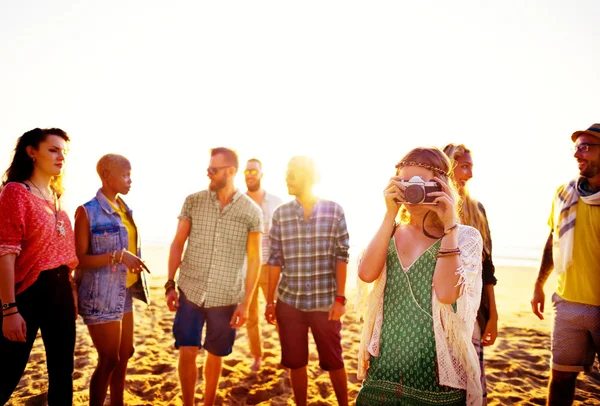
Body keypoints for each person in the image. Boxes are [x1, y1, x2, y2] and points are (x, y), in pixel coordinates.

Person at [355, 146, 483, 406]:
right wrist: (390, 213)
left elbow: (448, 294)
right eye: (403, 183)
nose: (411, 193)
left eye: (419, 184)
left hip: (437, 381)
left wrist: (450, 225)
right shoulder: (389, 231)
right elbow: (366, 274)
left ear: (442, 186)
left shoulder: (465, 237)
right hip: (384, 372)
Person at [165, 147, 263, 406]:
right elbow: (177, 243)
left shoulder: (251, 211)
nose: (208, 173)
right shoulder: (193, 201)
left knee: (215, 353)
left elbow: (255, 260)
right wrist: (169, 284)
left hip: (226, 295)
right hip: (190, 290)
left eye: (213, 169)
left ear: (230, 172)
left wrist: (245, 303)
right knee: (186, 350)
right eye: (208, 168)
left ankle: (207, 403)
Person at [0, 128, 79, 405]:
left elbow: (63, 251)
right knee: (8, 371)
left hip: (61, 292)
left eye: (64, 152)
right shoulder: (15, 192)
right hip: (28, 293)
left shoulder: (58, 196)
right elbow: (6, 253)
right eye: (53, 150)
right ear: (32, 152)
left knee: (63, 372)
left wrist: (71, 289)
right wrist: (9, 309)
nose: (61, 157)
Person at [265, 156, 350, 406]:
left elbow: (342, 255)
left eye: (292, 173)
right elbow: (274, 260)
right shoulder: (281, 214)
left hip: (326, 303)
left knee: (334, 360)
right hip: (289, 303)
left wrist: (340, 299)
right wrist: (270, 302)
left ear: (308, 176)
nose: (287, 178)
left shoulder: (334, 210)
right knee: (296, 361)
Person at [530, 123, 600, 406]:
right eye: (576, 147)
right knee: (560, 378)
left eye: (586, 147)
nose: (577, 154)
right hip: (569, 303)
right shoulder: (564, 193)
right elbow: (553, 238)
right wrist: (538, 284)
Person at [74, 154, 150, 406]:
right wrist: (118, 256)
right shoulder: (87, 212)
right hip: (100, 294)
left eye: (131, 175)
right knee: (109, 358)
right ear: (106, 175)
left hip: (124, 291)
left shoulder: (125, 209)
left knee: (125, 353)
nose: (130, 181)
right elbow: (80, 259)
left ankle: (117, 403)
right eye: (125, 175)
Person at [443, 143, 498, 405]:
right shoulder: (431, 210)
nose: (470, 174)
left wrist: (494, 315)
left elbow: (487, 267)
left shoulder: (478, 210)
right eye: (464, 166)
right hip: (440, 309)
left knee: (471, 378)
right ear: (447, 167)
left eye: (471, 167)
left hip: (474, 312)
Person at [243, 158, 283, 372]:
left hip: (271, 267)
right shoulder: (238, 201)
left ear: (261, 174)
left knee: (279, 312)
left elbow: (284, 235)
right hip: (247, 268)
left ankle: (286, 355)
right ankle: (257, 356)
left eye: (254, 171)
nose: (250, 174)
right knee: (251, 316)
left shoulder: (275, 202)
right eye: (247, 171)